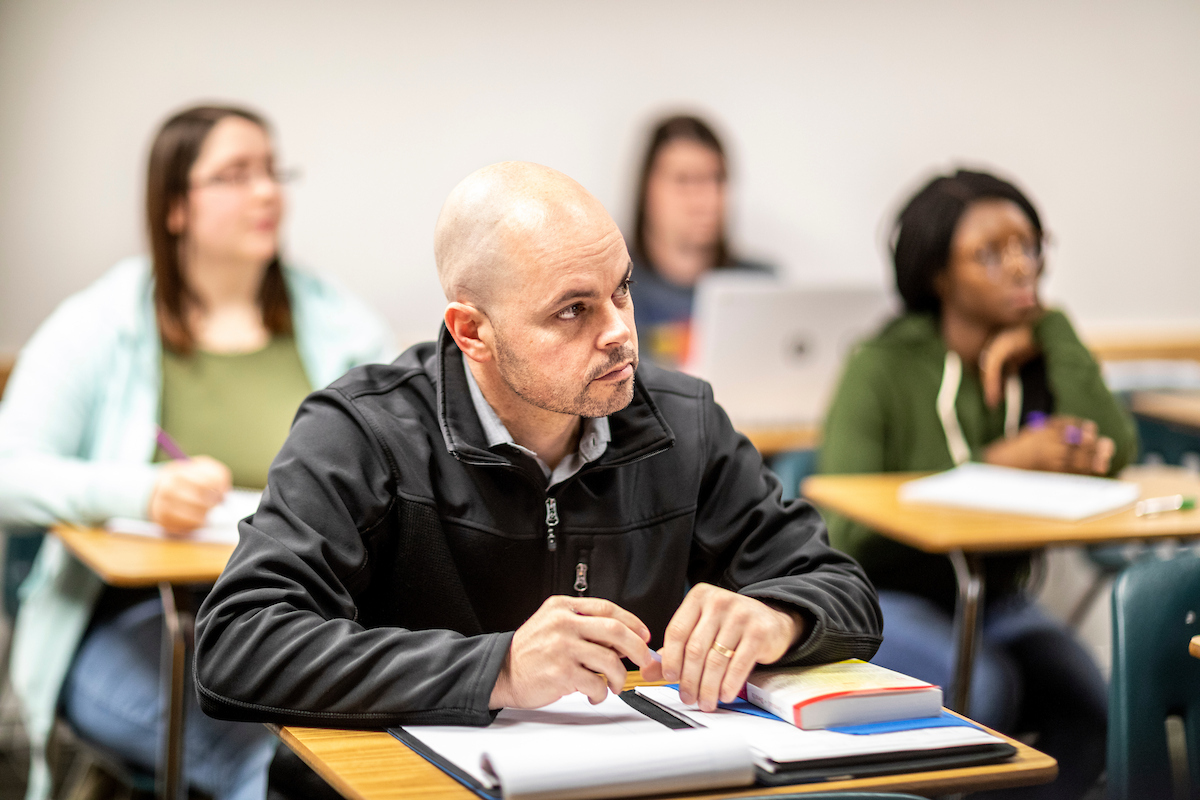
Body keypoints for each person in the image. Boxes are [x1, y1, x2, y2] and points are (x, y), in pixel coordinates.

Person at [194, 161, 883, 794]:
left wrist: (779, 616)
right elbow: (239, 642)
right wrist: (500, 668)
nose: (619, 333)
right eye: (573, 310)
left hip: (623, 779)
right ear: (472, 333)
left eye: (622, 291)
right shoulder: (360, 432)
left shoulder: (684, 422)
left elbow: (844, 591)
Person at [0, 104, 394, 800]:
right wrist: (140, 493)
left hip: (300, 617)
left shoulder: (336, 322)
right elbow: (9, 475)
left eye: (272, 171)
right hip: (135, 624)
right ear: (175, 206)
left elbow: (404, 454)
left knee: (386, 762)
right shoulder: (103, 322)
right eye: (236, 175)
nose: (268, 192)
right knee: (276, 772)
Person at [819, 169, 1137, 800]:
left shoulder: (1042, 355)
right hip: (888, 596)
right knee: (987, 690)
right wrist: (1000, 464)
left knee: (1093, 708)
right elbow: (842, 531)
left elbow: (1116, 448)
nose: (1021, 268)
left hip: (998, 599)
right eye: (990, 254)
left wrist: (1054, 329)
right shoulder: (880, 365)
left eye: (1030, 246)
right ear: (939, 275)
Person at [628, 115, 772, 368]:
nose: (706, 199)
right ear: (646, 188)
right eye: (684, 180)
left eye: (717, 179)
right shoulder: (613, 290)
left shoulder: (761, 288)